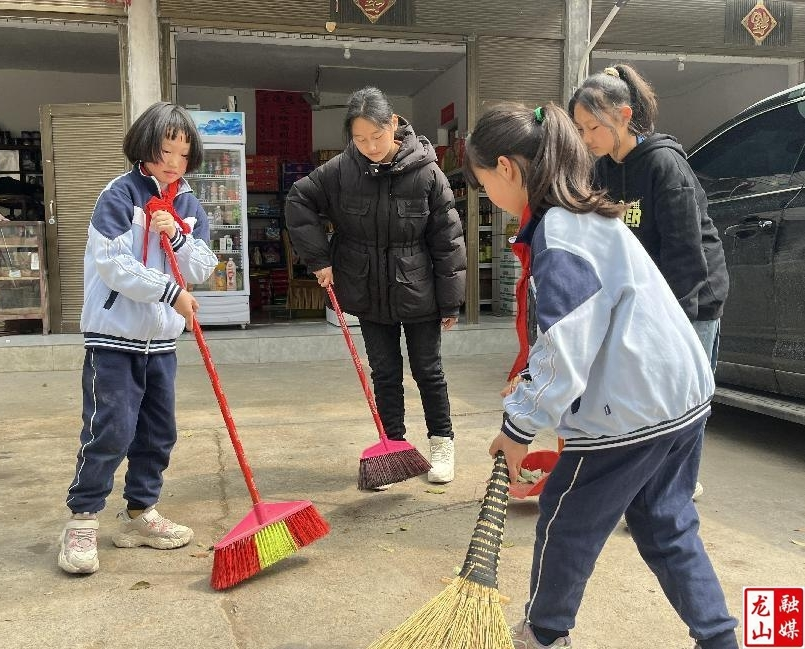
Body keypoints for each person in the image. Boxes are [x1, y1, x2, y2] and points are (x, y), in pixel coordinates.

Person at [467, 103, 739, 649]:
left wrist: (519, 425)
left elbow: (565, 346)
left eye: (482, 183)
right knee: (668, 525)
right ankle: (719, 639)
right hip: (680, 397)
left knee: (565, 521)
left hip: (630, 411)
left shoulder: (561, 236)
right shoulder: (588, 219)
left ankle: (543, 634)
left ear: (507, 168)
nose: (485, 196)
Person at [58, 102, 218, 575]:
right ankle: (82, 520)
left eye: (183, 155)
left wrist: (181, 239)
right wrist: (171, 292)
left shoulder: (188, 204)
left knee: (157, 432)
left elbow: (204, 266)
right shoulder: (118, 195)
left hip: (161, 344)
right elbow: (112, 264)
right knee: (110, 429)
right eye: (164, 150)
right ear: (144, 146)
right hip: (114, 337)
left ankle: (138, 515)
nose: (172, 163)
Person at [285, 86, 467, 486]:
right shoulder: (340, 171)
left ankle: (442, 443)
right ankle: (393, 449)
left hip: (418, 288)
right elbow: (299, 201)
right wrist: (320, 259)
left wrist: (451, 302)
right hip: (367, 289)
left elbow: (448, 239)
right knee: (384, 373)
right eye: (359, 139)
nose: (369, 146)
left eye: (377, 137)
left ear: (395, 126)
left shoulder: (427, 172)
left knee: (428, 370)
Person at [570, 64, 729, 500]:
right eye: (580, 129)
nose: (586, 138)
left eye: (592, 127)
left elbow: (687, 253)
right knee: (646, 394)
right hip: (646, 299)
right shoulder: (604, 170)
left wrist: (669, 321)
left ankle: (677, 488)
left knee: (685, 397)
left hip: (691, 297)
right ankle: (652, 481)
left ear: (623, 115)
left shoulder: (663, 164)